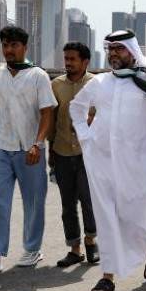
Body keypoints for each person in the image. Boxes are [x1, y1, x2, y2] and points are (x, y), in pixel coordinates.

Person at [69, 29, 146, 291]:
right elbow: (76, 107)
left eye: (119, 48)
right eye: (110, 49)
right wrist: (86, 137)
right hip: (102, 162)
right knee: (107, 216)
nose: (114, 54)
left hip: (140, 163)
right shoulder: (100, 83)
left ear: (132, 51)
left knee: (140, 213)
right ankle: (107, 276)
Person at [0, 26, 57, 275]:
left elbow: (48, 113)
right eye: (4, 45)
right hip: (1, 146)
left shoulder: (38, 76)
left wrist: (38, 143)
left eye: (13, 45)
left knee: (34, 201)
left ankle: (32, 249)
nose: (8, 50)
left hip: (29, 149)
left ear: (25, 47)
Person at [49, 42, 99, 267]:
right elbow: (51, 118)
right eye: (66, 59)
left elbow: (104, 115)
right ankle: (74, 249)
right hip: (61, 151)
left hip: (88, 153)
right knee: (67, 204)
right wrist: (50, 149)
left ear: (85, 62)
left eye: (73, 59)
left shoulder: (96, 84)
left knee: (88, 200)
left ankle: (91, 241)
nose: (68, 63)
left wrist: (90, 121)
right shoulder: (56, 85)